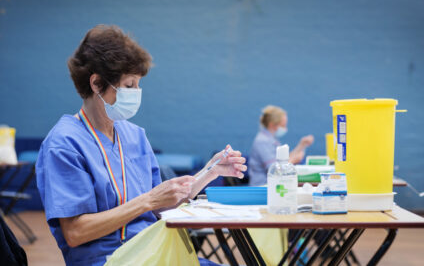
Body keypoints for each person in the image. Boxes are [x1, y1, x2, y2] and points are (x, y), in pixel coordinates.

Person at [35, 25, 247, 266]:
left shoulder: (133, 135)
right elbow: (75, 233)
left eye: (138, 84)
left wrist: (210, 171)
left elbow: (161, 205)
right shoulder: (64, 144)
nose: (137, 92)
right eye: (129, 85)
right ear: (96, 83)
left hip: (153, 253)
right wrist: (148, 200)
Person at [248, 105, 314, 186]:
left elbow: (284, 160)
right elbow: (275, 170)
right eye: (283, 126)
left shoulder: (271, 139)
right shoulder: (262, 141)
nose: (285, 129)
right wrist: (294, 160)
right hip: (262, 186)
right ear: (272, 125)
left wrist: (301, 145)